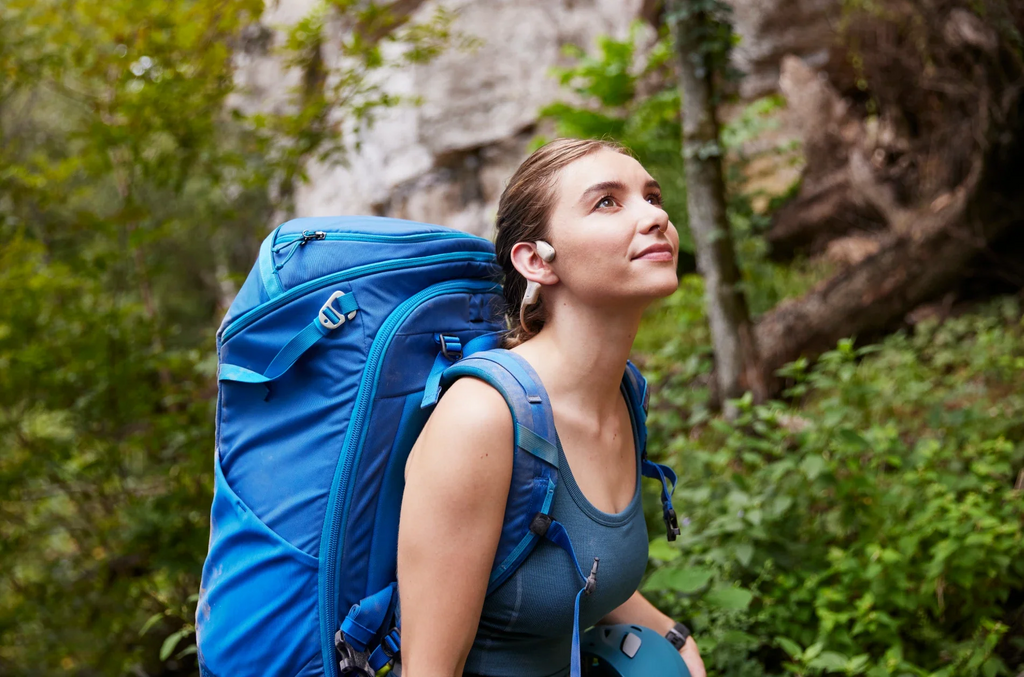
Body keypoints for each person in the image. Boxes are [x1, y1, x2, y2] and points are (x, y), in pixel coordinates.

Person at [397, 138, 707, 677]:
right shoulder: (483, 419)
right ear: (536, 261)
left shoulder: (625, 393)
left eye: (652, 197)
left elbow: (577, 568)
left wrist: (672, 636)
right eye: (607, 201)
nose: (655, 218)